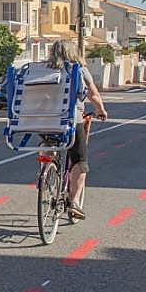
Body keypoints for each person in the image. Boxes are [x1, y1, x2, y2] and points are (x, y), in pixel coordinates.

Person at [44, 40, 108, 219]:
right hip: (71, 121)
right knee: (80, 161)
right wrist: (100, 110)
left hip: (44, 121)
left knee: (48, 144)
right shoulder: (79, 69)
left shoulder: (42, 70)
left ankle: (46, 175)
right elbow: (93, 94)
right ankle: (73, 203)